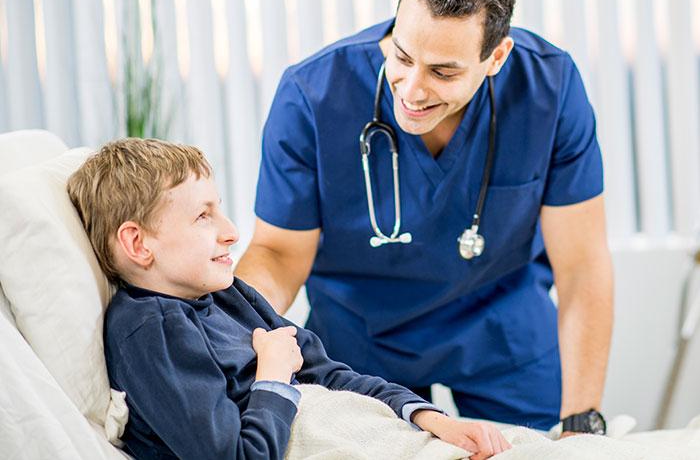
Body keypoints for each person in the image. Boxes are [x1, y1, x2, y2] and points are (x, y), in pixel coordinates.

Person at [236, 0, 614, 434]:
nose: (412, 90)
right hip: (360, 333)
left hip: (501, 327)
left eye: (443, 72)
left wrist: (582, 419)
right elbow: (279, 253)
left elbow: (582, 265)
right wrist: (227, 324)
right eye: (402, 56)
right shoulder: (313, 96)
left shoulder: (549, 88)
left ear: (495, 57)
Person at [66, 138, 510, 460]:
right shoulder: (151, 331)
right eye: (203, 215)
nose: (231, 231)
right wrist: (274, 374)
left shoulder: (228, 296)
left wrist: (428, 418)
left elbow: (327, 372)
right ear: (139, 244)